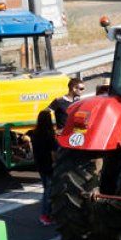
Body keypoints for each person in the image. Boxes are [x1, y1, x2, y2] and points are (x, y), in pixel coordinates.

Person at [32, 77, 84, 226]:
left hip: (75, 139)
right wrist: (57, 130)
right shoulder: (59, 102)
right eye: (81, 88)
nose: (82, 91)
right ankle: (48, 213)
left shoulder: (79, 102)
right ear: (73, 88)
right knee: (51, 184)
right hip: (62, 141)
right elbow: (46, 113)